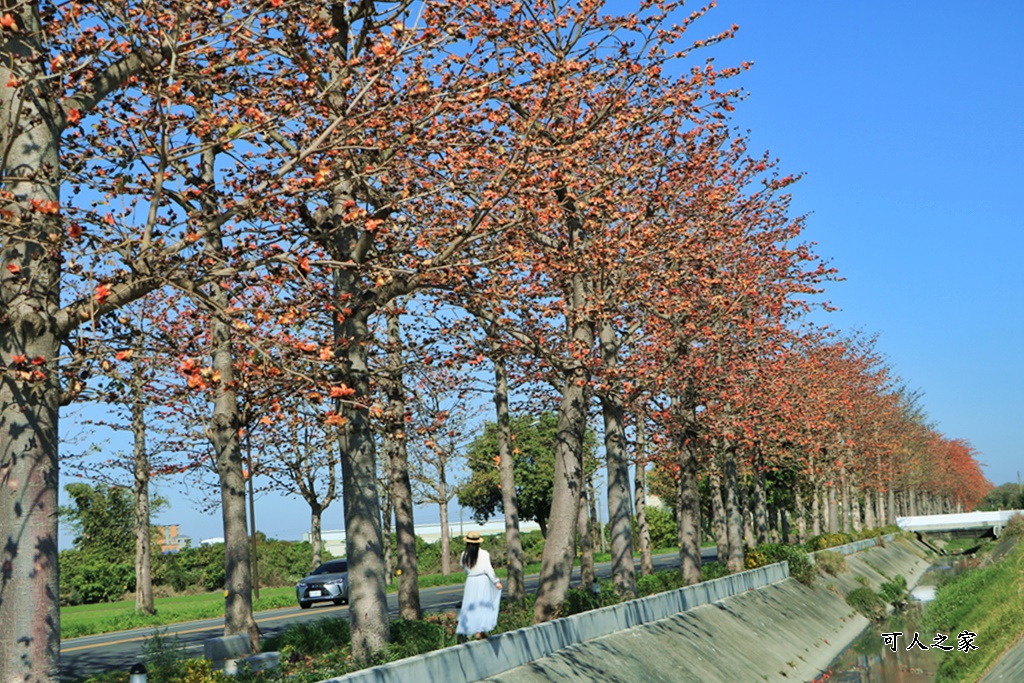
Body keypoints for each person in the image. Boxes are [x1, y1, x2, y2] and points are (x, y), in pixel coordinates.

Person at [456, 531, 503, 641]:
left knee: (471, 604)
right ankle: (480, 630)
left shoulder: (464, 554)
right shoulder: (484, 554)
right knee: (483, 603)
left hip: (470, 581)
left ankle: (473, 630)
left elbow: (462, 566)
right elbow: (488, 569)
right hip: (482, 580)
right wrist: (496, 581)